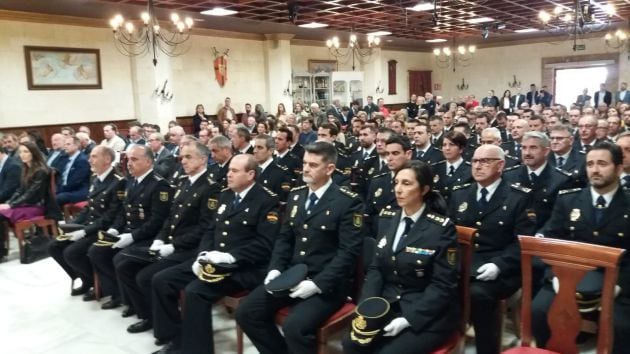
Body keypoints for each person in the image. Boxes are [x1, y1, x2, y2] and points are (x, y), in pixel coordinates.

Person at [235, 141, 364, 354]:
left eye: (313, 165)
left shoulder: (347, 202)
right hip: (292, 276)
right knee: (247, 312)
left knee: (294, 327)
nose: (305, 168)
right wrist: (275, 269)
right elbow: (284, 239)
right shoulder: (296, 196)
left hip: (327, 284)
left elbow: (348, 253)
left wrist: (317, 284)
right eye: (304, 163)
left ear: (329, 169)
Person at [152, 154, 280, 354]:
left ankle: (196, 350)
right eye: (229, 170)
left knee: (195, 292)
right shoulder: (226, 195)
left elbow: (265, 244)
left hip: (243, 267)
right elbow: (211, 229)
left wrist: (231, 257)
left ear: (251, 174)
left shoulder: (266, 201)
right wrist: (202, 254)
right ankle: (175, 339)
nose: (228, 174)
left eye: (235, 171)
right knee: (162, 280)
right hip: (214, 260)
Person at [342, 160, 458, 354]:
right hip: (387, 304)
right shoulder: (387, 218)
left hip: (427, 313)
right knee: (351, 344)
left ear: (424, 189)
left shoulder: (441, 229)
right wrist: (368, 305)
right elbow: (376, 268)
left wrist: (409, 319)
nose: (398, 189)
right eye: (396, 183)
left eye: (406, 184)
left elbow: (443, 284)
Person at [533, 142, 630, 353]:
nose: (594, 170)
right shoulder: (568, 200)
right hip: (568, 273)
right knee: (539, 312)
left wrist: (620, 285)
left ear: (619, 168)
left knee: (622, 327)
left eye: (602, 164)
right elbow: (553, 243)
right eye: (590, 164)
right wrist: (555, 276)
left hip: (618, 279)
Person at [116, 141, 221, 335]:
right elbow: (171, 217)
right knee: (125, 265)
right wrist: (160, 238)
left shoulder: (210, 188)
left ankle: (171, 330)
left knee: (149, 277)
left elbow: (205, 228)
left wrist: (173, 245)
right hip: (171, 243)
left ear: (203, 159)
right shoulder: (183, 181)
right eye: (182, 157)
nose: (183, 161)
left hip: (190, 249)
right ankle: (149, 316)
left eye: (189, 157)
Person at [448, 144, 535, 354]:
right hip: (464, 264)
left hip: (501, 268)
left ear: (501, 165)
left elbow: (523, 242)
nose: (478, 166)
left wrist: (499, 264)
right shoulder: (460, 193)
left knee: (479, 294)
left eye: (485, 161)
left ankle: (486, 348)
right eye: (475, 161)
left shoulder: (518, 197)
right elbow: (449, 234)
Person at [87, 145, 173, 310]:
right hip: (128, 231)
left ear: (148, 162)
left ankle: (137, 304)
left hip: (147, 236)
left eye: (134, 159)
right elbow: (123, 212)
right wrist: (114, 229)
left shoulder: (159, 185)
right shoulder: (131, 181)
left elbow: (157, 222)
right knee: (96, 251)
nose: (129, 164)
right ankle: (119, 294)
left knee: (120, 258)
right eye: (128, 160)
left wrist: (132, 237)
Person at [48, 146, 125, 299]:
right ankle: (86, 279)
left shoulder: (118, 182)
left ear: (107, 160)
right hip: (90, 225)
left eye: (94, 156)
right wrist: (71, 225)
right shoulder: (95, 178)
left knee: (72, 252)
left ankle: (101, 285)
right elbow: (89, 208)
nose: (90, 160)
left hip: (104, 229)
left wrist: (84, 231)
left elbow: (110, 216)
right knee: (54, 246)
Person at [0, 142, 61, 257]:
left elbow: (31, 194)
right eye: (21, 152)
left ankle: (1, 251)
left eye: (26, 152)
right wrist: (9, 203)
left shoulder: (41, 170)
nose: (22, 155)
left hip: (38, 206)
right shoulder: (26, 168)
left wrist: (11, 206)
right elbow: (19, 190)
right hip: (26, 205)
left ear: (33, 153)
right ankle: (1, 249)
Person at [431, 131, 472, 202]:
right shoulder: (435, 168)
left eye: (451, 145)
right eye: (444, 145)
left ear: (461, 149)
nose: (447, 148)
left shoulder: (470, 170)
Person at [56, 136, 91, 206]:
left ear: (76, 145)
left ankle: (58, 216)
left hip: (78, 191)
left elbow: (75, 182)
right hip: (66, 189)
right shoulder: (65, 159)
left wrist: (59, 191)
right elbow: (59, 175)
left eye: (68, 144)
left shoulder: (82, 160)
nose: (65, 146)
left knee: (59, 197)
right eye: (65, 144)